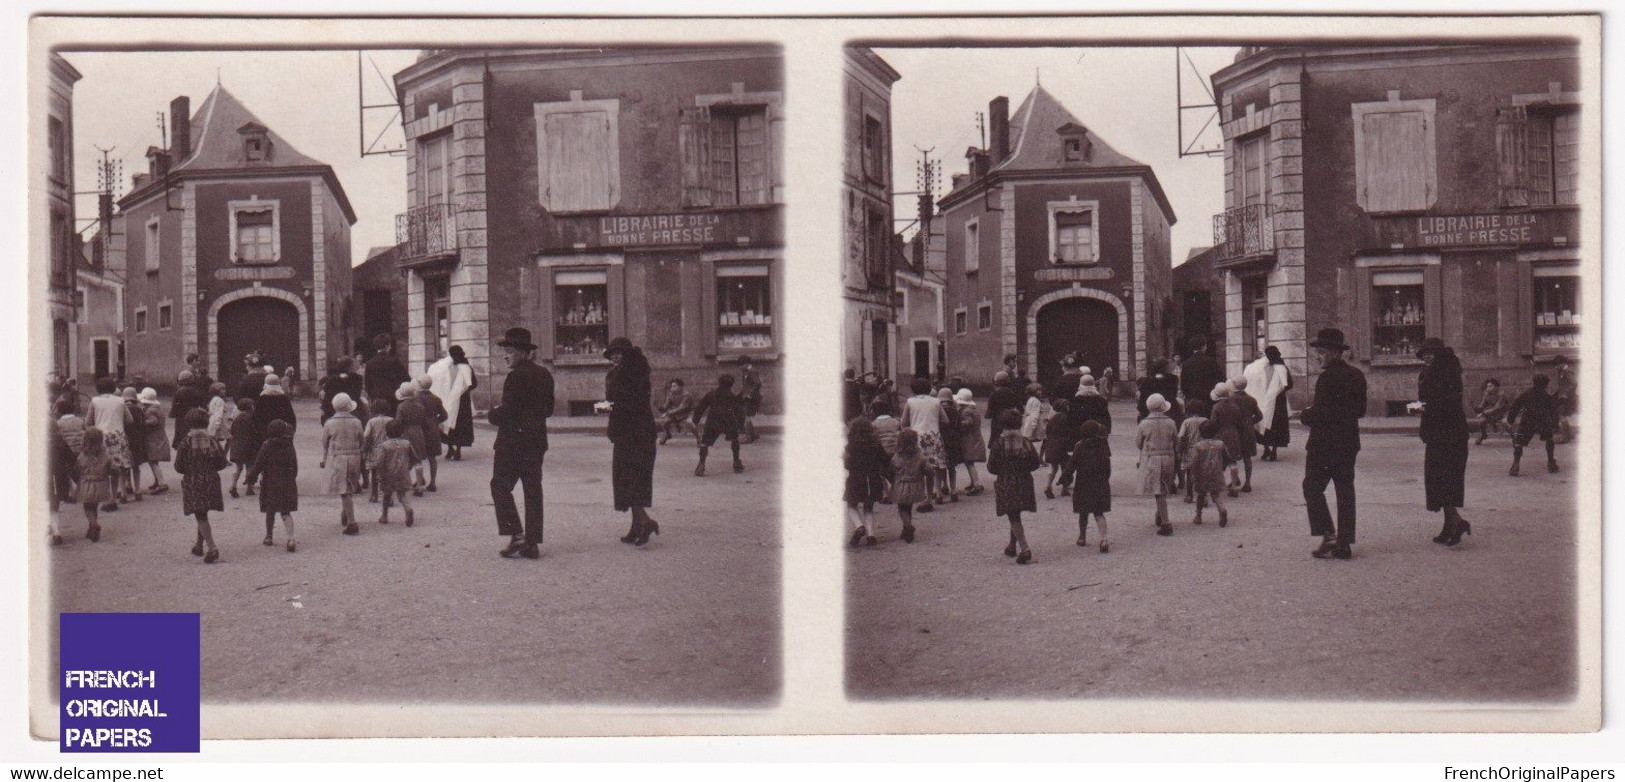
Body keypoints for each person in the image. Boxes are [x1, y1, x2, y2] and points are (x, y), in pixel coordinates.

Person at [1301, 328, 1367, 560]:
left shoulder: (1327, 378)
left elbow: (1321, 413)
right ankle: (1344, 543)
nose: (1317, 356)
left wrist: (1304, 415)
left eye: (1320, 352)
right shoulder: (1357, 375)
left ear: (1334, 352)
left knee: (1312, 487)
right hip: (1348, 443)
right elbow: (1361, 410)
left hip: (1324, 444)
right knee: (1345, 491)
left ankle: (1328, 534)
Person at [489, 327, 554, 560]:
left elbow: (508, 412)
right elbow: (548, 410)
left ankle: (516, 534)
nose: (505, 356)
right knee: (532, 489)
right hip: (536, 441)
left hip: (512, 442)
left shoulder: (515, 376)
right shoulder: (545, 374)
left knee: (500, 486)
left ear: (522, 352)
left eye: (508, 351)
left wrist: (492, 414)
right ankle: (532, 543)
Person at [602, 337, 661, 546]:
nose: (615, 356)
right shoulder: (635, 371)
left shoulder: (625, 374)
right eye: (612, 353)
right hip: (638, 433)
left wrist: (599, 407)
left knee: (628, 479)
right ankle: (637, 527)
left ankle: (646, 522)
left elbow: (619, 403)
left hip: (631, 435)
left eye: (618, 352)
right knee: (632, 480)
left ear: (627, 354)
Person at [1413, 338, 1473, 546]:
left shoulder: (1439, 372)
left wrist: (1414, 408)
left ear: (1439, 354)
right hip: (1448, 433)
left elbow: (1436, 404)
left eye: (1431, 353)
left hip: (1445, 434)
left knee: (1441, 479)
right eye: (1425, 353)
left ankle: (1457, 522)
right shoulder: (1446, 370)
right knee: (1444, 480)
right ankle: (1449, 527)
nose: (1427, 357)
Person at [174, 408, 228, 562]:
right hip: (211, 479)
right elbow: (222, 462)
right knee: (203, 513)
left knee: (200, 513)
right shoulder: (212, 440)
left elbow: (178, 466)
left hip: (193, 480)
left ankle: (212, 547)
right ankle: (199, 544)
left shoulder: (185, 442)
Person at [987, 408, 1040, 565]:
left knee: (1013, 514)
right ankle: (1012, 545)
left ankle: (1025, 548)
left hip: (1006, 481)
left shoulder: (998, 443)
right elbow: (1035, 463)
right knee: (1015, 514)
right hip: (1024, 480)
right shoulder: (1025, 442)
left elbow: (991, 467)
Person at [84, 376, 134, 511]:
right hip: (118, 436)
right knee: (117, 468)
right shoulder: (120, 401)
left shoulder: (94, 401)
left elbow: (88, 422)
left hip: (101, 437)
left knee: (103, 468)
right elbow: (130, 420)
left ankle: (106, 498)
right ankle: (114, 497)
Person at [899, 376, 949, 511]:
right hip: (933, 436)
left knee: (918, 469)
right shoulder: (936, 401)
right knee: (934, 468)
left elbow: (903, 422)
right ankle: (934, 494)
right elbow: (945, 420)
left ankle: (921, 496)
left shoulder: (910, 402)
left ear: (914, 389)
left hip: (916, 438)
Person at [1063, 419, 1112, 552]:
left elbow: (1072, 464)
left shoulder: (1079, 446)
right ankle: (1104, 539)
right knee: (1099, 513)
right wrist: (1105, 479)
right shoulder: (1102, 446)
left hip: (1084, 483)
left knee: (1083, 513)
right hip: (1100, 483)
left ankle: (1082, 537)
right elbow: (1107, 467)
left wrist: (1066, 476)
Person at [249, 418, 302, 541]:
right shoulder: (289, 445)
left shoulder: (267, 445)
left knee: (270, 510)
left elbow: (258, 464)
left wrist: (251, 477)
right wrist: (292, 477)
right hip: (287, 481)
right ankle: (291, 538)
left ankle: (269, 536)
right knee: (285, 512)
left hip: (270, 481)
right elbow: (294, 465)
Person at [321, 393, 366, 535]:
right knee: (349, 486)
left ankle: (352, 522)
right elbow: (362, 440)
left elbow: (325, 443)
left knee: (343, 489)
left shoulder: (329, 423)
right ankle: (345, 512)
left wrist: (323, 459)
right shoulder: (357, 422)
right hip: (354, 456)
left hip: (339, 457)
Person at [844, 417, 889, 546]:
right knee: (868, 508)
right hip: (873, 479)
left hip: (855, 479)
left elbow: (847, 464)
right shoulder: (876, 444)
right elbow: (885, 459)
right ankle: (871, 535)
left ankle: (859, 526)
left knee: (851, 505)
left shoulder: (851, 446)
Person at [1138, 393, 1179, 536]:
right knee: (1163, 487)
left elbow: (1138, 443)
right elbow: (1176, 440)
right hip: (1168, 456)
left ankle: (1166, 522)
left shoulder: (1144, 423)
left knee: (1158, 489)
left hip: (1153, 458)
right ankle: (1160, 513)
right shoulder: (1171, 422)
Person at [691, 374, 747, 477]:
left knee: (705, 443)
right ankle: (736, 463)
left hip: (713, 421)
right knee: (735, 440)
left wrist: (695, 421)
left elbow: (700, 408)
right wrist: (741, 426)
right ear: (731, 385)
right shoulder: (732, 397)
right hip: (729, 422)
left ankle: (701, 464)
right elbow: (739, 412)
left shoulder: (711, 394)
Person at [1246, 346, 1294, 461]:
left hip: (1262, 399)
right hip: (1279, 402)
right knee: (1276, 426)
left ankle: (1266, 449)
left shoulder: (1259, 368)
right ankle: (1274, 451)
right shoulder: (1282, 367)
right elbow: (1289, 384)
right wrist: (1278, 390)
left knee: (1263, 423)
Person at [1507, 374, 1560, 477]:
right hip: (1543, 422)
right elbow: (1554, 411)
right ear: (1545, 384)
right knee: (1549, 439)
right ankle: (1551, 463)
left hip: (1527, 422)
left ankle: (1515, 464)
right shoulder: (1547, 397)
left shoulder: (1526, 394)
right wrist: (1555, 425)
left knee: (1519, 442)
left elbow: (1515, 406)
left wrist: (1510, 419)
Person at [431, 346, 478, 460]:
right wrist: (463, 390)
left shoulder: (447, 367)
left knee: (448, 422)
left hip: (448, 398)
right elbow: (473, 384)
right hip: (463, 401)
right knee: (461, 425)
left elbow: (441, 383)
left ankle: (450, 449)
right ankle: (458, 451)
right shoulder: (467, 367)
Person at [1188, 419, 1232, 528]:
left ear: (1201, 433)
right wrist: (1223, 467)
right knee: (1216, 495)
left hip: (1202, 474)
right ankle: (1222, 509)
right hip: (1216, 472)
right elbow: (1228, 457)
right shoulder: (1220, 444)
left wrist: (1193, 474)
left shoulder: (1198, 446)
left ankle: (1198, 516)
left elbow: (1195, 461)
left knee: (1200, 495)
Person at [888, 428, 928, 544]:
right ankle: (906, 529)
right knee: (908, 507)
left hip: (901, 485)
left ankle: (908, 526)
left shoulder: (897, 456)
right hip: (915, 485)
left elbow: (892, 468)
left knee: (902, 508)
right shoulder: (919, 455)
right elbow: (927, 467)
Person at [375, 419, 418, 527]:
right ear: (402, 432)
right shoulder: (406, 444)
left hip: (389, 473)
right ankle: (408, 508)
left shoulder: (385, 445)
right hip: (403, 472)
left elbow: (380, 461)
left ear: (387, 432)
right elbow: (414, 457)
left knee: (387, 494)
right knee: (402, 494)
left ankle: (384, 516)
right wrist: (409, 466)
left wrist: (379, 475)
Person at [74, 429, 113, 543]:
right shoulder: (105, 454)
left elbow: (78, 467)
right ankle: (91, 529)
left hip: (86, 484)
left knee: (87, 507)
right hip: (101, 484)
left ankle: (93, 524)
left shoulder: (83, 455)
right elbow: (112, 467)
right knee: (94, 506)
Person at [1208, 382, 1246, 497]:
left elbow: (1213, 423)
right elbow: (1240, 422)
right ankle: (1234, 486)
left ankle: (1219, 485)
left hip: (1221, 434)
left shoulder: (1216, 407)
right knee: (1232, 460)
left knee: (1219, 461)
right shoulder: (1235, 406)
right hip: (1233, 434)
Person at [1228, 375, 1264, 492]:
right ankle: (1248, 483)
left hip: (1235, 429)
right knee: (1247, 457)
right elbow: (1259, 415)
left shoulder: (1231, 399)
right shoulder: (1251, 399)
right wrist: (1249, 422)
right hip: (1248, 430)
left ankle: (1235, 479)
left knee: (1231, 455)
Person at [393, 383, 429, 495]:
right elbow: (424, 421)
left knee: (406, 459)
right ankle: (419, 485)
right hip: (419, 432)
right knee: (418, 459)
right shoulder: (420, 406)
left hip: (406, 433)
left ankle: (403, 484)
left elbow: (398, 422)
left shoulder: (401, 407)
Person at [414, 375, 449, 492]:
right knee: (432, 457)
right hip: (433, 429)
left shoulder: (416, 398)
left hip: (420, 428)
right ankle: (433, 482)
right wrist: (435, 421)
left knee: (417, 455)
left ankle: (420, 479)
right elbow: (444, 415)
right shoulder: (436, 398)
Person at [364, 334, 411, 418]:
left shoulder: (370, 363)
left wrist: (372, 397)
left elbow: (368, 384)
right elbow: (406, 379)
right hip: (393, 398)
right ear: (387, 346)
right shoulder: (395, 361)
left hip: (377, 399)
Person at [138, 388, 172, 495]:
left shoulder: (150, 410)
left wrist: (142, 422)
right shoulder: (157, 408)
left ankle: (161, 483)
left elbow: (153, 421)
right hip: (159, 437)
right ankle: (157, 481)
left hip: (153, 439)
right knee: (154, 461)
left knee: (153, 461)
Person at [1042, 396, 1077, 500]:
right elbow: (1067, 432)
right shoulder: (1064, 418)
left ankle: (1048, 486)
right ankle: (1064, 488)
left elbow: (1048, 432)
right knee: (1065, 467)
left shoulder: (1052, 418)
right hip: (1061, 446)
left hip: (1051, 445)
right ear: (1065, 407)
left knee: (1053, 467)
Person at [361, 395, 395, 504]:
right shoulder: (392, 420)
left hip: (375, 450)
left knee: (374, 474)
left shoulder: (372, 421)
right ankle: (389, 497)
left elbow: (367, 436)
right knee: (389, 475)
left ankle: (374, 495)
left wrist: (364, 450)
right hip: (390, 450)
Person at [954, 389, 987, 497]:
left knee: (969, 462)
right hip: (975, 439)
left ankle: (977, 484)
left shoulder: (966, 411)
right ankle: (973, 482)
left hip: (970, 440)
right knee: (970, 462)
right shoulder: (973, 410)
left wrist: (958, 424)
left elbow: (968, 422)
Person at [1177, 399, 1211, 505]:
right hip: (1204, 448)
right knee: (1203, 473)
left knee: (1190, 473)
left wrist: (1180, 449)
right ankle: (1204, 496)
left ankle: (1189, 495)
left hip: (1190, 449)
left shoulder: (1187, 422)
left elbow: (1181, 436)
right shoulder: (1205, 420)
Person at [170, 370, 212, 451]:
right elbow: (203, 404)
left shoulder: (178, 392)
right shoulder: (196, 391)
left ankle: (182, 450)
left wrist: (174, 414)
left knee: (182, 436)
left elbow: (175, 407)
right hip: (193, 417)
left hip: (181, 418)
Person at [252, 374, 297, 448]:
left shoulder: (262, 399)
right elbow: (291, 417)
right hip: (282, 433)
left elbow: (256, 418)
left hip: (265, 435)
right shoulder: (284, 399)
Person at [1179, 340, 1224, 412]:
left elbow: (1183, 384)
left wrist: (1189, 396)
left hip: (1192, 400)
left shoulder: (1186, 363)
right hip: (1208, 399)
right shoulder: (1211, 361)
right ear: (1203, 347)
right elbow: (1219, 379)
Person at [936, 387, 964, 503]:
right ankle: (953, 491)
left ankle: (939, 493)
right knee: (951, 467)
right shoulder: (955, 410)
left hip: (941, 438)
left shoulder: (938, 410)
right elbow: (959, 426)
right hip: (953, 439)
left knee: (939, 467)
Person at [320, 356, 365, 426]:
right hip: (352, 409)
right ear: (350, 366)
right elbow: (356, 396)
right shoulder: (357, 378)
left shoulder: (331, 379)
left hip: (333, 410)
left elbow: (327, 397)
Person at [122, 387, 148, 503]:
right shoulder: (139, 410)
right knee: (136, 467)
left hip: (126, 439)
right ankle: (138, 491)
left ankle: (126, 488)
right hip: (137, 440)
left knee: (124, 467)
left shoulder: (123, 409)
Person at [227, 398, 258, 498]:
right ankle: (249, 488)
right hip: (249, 446)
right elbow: (254, 432)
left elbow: (232, 431)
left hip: (236, 446)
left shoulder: (237, 418)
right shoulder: (251, 418)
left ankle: (233, 485)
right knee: (250, 466)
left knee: (238, 468)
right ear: (250, 407)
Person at [655, 379, 698, 445]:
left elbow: (682, 408)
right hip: (677, 414)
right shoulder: (670, 394)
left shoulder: (686, 395)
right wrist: (659, 407)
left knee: (690, 422)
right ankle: (668, 435)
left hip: (689, 412)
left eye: (675, 386)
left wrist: (668, 413)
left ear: (680, 387)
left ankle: (699, 439)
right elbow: (666, 406)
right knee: (665, 422)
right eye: (672, 386)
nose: (672, 388)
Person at [986, 371, 1024, 440]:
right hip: (1010, 421)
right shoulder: (1013, 393)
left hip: (997, 421)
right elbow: (1021, 409)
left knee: (996, 441)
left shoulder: (994, 394)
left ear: (996, 382)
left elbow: (989, 412)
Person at [1473, 379, 1511, 445]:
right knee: (1481, 420)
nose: (1488, 388)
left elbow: (1497, 408)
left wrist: (1484, 413)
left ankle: (1514, 438)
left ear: (1496, 387)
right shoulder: (1486, 394)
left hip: (1504, 412)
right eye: (1487, 386)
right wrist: (1478, 408)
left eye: (1490, 386)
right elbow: (1483, 404)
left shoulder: (1501, 394)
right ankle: (1484, 435)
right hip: (1493, 413)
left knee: (1505, 422)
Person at [1551, 360, 1577, 443]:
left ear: (1562, 364)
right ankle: (1568, 434)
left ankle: (1565, 437)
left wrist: (1565, 394)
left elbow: (1574, 383)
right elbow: (1562, 386)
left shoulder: (1567, 372)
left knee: (1561, 415)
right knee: (1561, 414)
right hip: (1562, 397)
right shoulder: (1562, 372)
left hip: (1567, 398)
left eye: (1556, 365)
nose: (1555, 367)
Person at [739, 358, 764, 444]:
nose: (740, 367)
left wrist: (750, 394)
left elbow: (757, 383)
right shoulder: (746, 372)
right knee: (746, 415)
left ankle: (748, 437)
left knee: (746, 416)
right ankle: (752, 435)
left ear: (746, 363)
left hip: (752, 398)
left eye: (741, 365)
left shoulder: (751, 371)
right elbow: (746, 386)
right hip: (748, 397)